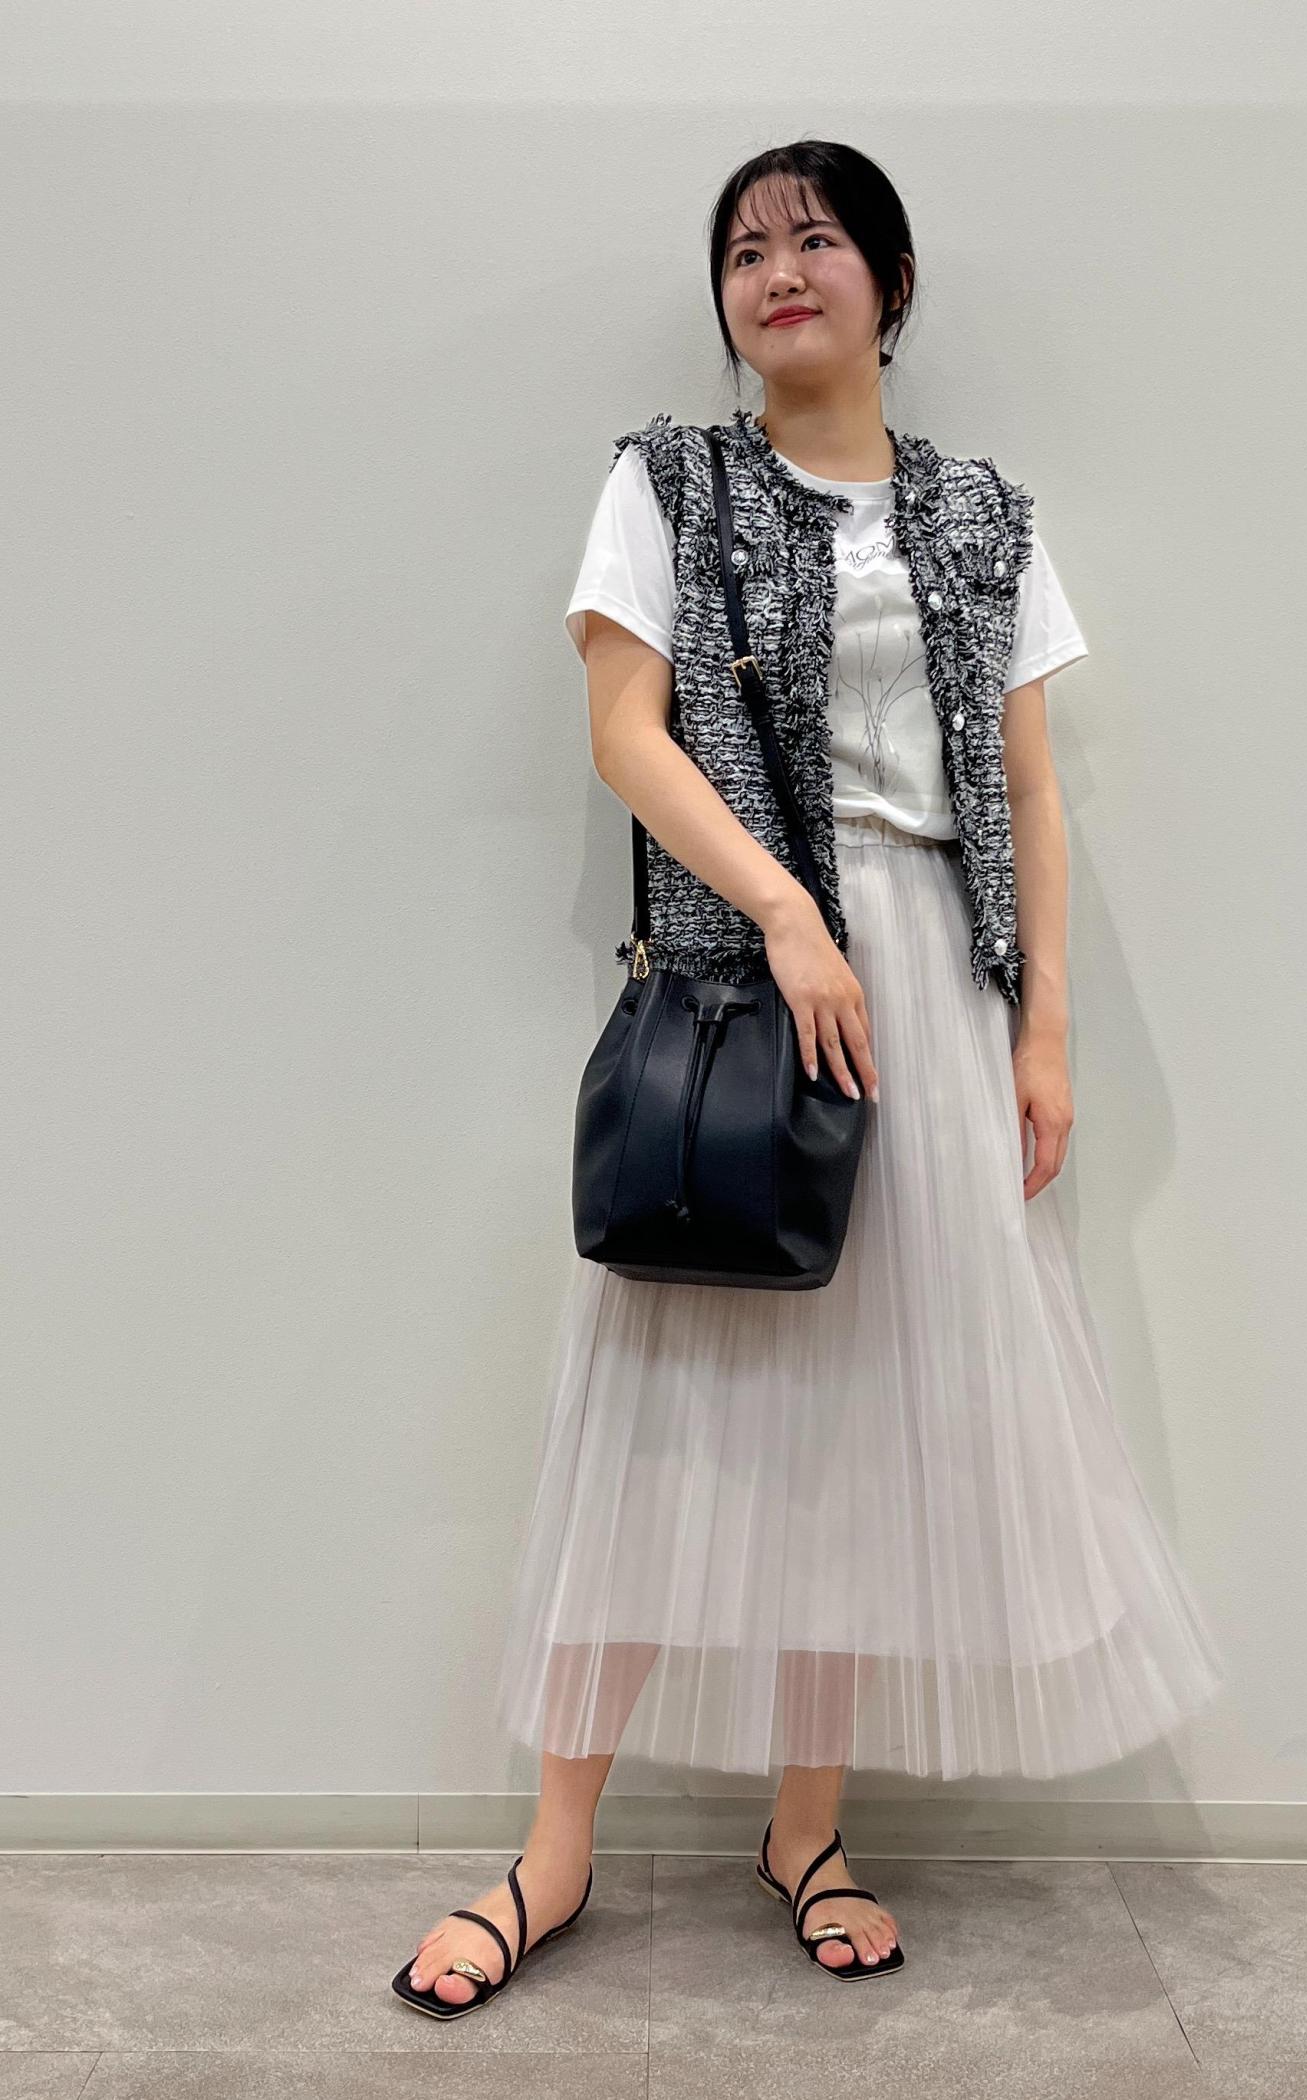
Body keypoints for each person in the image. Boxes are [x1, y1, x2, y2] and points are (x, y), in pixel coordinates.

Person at [393, 139, 1227, 2017]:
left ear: (892, 282)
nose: (779, 271)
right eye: (746, 249)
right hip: (748, 982)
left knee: (868, 1428)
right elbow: (624, 730)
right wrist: (782, 908)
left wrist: (1044, 1030)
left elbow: (1025, 788)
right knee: (653, 1408)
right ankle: (554, 1852)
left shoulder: (985, 516)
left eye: (818, 239)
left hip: (931, 982)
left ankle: (806, 1829)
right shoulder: (665, 482)